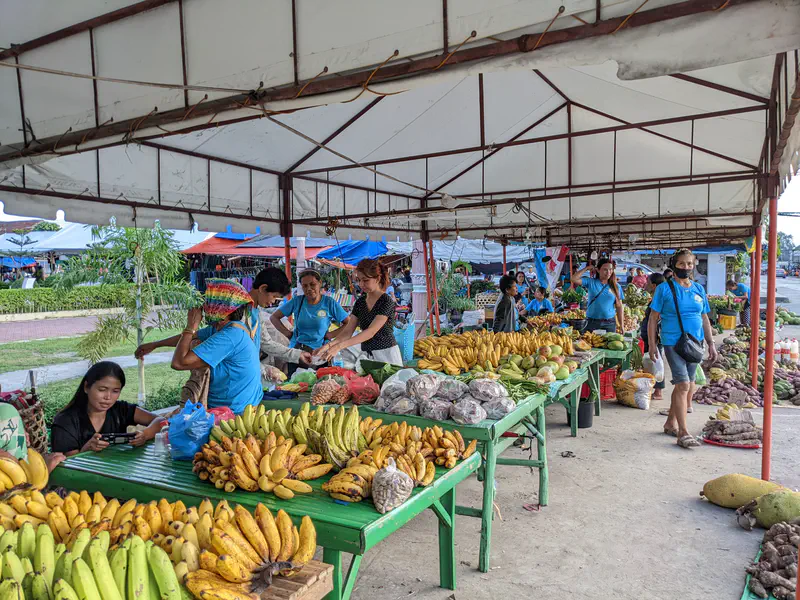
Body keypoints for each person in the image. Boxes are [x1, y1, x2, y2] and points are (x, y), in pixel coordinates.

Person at [136, 268, 305, 382]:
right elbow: (182, 359)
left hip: (245, 381)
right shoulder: (234, 322)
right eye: (274, 298)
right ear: (263, 288)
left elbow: (264, 344)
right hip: (232, 384)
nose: (272, 303)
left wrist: (296, 355)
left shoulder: (255, 314)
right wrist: (159, 343)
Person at [170, 280, 309, 414]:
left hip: (231, 411)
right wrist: (154, 345)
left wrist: (190, 327)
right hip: (243, 404)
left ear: (218, 308)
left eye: (208, 303)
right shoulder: (233, 328)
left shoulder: (229, 336)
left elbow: (179, 362)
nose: (204, 308)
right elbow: (194, 337)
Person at [648, 249, 717, 449]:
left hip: (695, 344)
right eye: (681, 264)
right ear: (674, 264)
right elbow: (653, 319)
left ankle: (670, 423)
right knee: (683, 385)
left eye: (689, 264)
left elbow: (705, 317)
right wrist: (653, 345)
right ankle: (683, 433)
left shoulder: (698, 289)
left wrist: (711, 343)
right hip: (672, 342)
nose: (686, 267)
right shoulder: (664, 289)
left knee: (685, 385)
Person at [50, 362, 166, 456]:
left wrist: (145, 435)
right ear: (86, 387)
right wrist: (87, 448)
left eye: (115, 391)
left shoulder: (120, 409)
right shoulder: (66, 421)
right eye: (102, 390)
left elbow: (161, 421)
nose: (108, 397)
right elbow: (69, 467)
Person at [316, 258, 402, 365]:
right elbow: (347, 332)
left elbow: (371, 332)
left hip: (387, 354)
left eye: (365, 280)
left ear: (377, 278)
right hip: (367, 355)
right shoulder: (360, 302)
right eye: (359, 280)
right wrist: (328, 346)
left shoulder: (386, 301)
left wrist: (339, 346)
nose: (361, 284)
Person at [270, 269, 352, 375]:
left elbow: (349, 323)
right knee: (294, 387)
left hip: (321, 354)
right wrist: (289, 334)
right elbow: (274, 317)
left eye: (312, 284)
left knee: (320, 387)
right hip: (298, 352)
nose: (309, 289)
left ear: (320, 283)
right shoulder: (297, 301)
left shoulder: (329, 303)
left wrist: (331, 334)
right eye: (305, 286)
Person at [571, 258, 624, 333]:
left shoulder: (616, 286)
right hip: (592, 322)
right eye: (605, 269)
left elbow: (619, 306)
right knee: (591, 344)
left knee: (608, 344)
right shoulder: (591, 282)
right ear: (598, 270)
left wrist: (621, 325)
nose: (608, 272)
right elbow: (574, 279)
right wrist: (586, 268)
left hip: (610, 323)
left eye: (611, 269)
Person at [640, 273, 666, 401]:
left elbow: (657, 320)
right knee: (653, 363)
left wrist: (653, 342)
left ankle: (658, 391)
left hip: (654, 338)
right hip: (651, 337)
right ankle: (653, 389)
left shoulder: (659, 300)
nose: (646, 284)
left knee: (656, 362)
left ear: (654, 285)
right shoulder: (657, 298)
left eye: (648, 282)